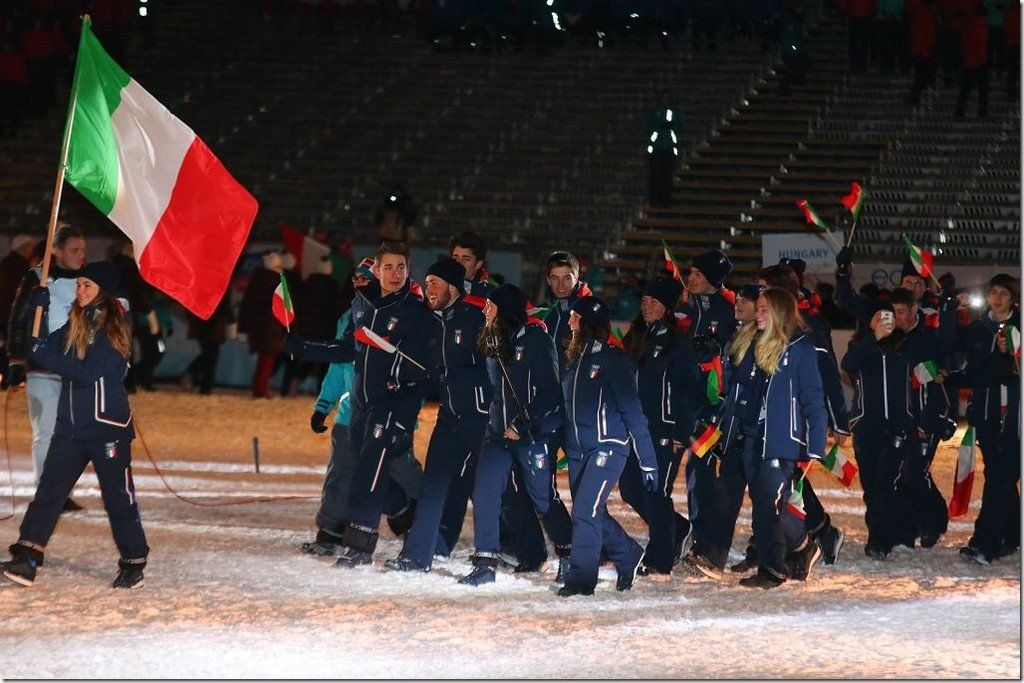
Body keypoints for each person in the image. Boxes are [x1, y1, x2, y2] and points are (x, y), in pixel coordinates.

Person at [1, 262, 148, 588]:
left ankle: (134, 560)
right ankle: (27, 556)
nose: (79, 291)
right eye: (78, 284)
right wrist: (40, 311)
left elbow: (86, 372)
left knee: (117, 498)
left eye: (86, 286)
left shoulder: (117, 325)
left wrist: (42, 352)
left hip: (107, 427)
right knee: (49, 491)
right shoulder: (77, 321)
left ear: (103, 291)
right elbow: (42, 349)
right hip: (70, 426)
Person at [285, 241, 433, 567]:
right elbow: (345, 350)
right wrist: (304, 347)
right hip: (360, 408)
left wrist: (405, 403)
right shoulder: (362, 306)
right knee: (360, 474)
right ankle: (404, 512)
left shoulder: (415, 311)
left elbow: (425, 368)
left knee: (370, 475)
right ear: (377, 270)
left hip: (390, 407)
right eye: (388, 267)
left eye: (401, 267)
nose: (395, 274)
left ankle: (360, 547)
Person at [458, 284, 573, 586]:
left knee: (543, 499)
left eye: (490, 306)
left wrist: (522, 425)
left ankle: (570, 553)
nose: (485, 310)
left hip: (531, 435)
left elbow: (551, 393)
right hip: (497, 434)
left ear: (505, 310)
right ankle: (485, 563)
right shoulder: (492, 341)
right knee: (484, 492)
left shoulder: (537, 340)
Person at [385, 258, 492, 572]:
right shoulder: (432, 323)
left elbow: (494, 366)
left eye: (435, 282)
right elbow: (429, 369)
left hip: (481, 418)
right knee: (433, 486)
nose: (428, 287)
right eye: (427, 281)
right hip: (449, 418)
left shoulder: (475, 319)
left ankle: (521, 550)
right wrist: (406, 378)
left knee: (493, 489)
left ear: (453, 288)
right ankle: (418, 555)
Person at [558, 296, 659, 596]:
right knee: (591, 511)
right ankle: (629, 555)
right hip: (578, 451)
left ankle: (581, 580)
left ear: (587, 323)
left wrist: (648, 462)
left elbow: (634, 413)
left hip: (608, 448)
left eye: (575, 317)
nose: (569, 322)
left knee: (585, 511)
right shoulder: (574, 360)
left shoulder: (614, 361)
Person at [842, 288, 951, 560]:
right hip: (867, 427)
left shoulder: (907, 345)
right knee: (871, 486)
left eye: (889, 315)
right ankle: (885, 533)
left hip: (899, 428)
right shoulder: (861, 346)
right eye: (879, 317)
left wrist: (931, 415)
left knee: (889, 482)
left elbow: (933, 368)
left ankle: (881, 540)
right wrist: (873, 339)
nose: (885, 321)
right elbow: (848, 364)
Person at [730, 288, 827, 589]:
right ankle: (803, 546)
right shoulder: (752, 342)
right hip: (752, 434)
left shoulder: (800, 348)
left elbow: (813, 398)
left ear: (779, 313)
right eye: (757, 308)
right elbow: (739, 386)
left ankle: (773, 569)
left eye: (764, 310)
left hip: (782, 439)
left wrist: (816, 444)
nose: (757, 314)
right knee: (771, 502)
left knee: (766, 504)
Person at [619, 277, 701, 575]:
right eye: (644, 300)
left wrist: (681, 432)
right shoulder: (637, 336)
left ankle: (659, 558)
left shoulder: (677, 342)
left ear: (666, 306)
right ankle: (677, 527)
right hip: (635, 430)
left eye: (654, 301)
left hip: (664, 431)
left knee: (655, 492)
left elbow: (690, 390)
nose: (647, 306)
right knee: (630, 488)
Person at [7, 225, 87, 511]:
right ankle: (47, 493)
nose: (80, 255)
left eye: (83, 250)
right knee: (47, 431)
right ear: (57, 251)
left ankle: (62, 490)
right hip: (42, 368)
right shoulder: (37, 278)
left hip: (76, 368)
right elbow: (18, 320)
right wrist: (16, 360)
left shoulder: (87, 281)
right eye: (74, 250)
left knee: (73, 434)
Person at [677, 249, 738, 572]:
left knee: (701, 470)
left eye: (699, 274)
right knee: (694, 471)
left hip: (714, 405)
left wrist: (716, 352)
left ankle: (705, 541)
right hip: (684, 401)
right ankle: (692, 534)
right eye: (691, 272)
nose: (692, 278)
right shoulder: (685, 306)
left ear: (713, 280)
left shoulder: (728, 311)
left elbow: (737, 354)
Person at [955, 274, 1021, 563]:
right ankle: (1013, 534)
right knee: (999, 477)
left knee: (999, 479)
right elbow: (974, 371)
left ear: (1013, 298)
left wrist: (1010, 356)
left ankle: (985, 543)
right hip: (986, 414)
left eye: (1003, 293)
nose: (997, 298)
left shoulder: (1019, 327)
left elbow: (1008, 372)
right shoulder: (979, 328)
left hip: (1015, 417)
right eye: (993, 292)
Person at [238, 251, 287, 399]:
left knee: (263, 360)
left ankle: (259, 387)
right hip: (271, 326)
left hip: (257, 325)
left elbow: (246, 304)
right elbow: (282, 307)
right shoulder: (277, 282)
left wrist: (243, 327)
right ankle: (260, 389)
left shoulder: (256, 279)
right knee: (267, 360)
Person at [183, 291, 236, 395]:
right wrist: (232, 321)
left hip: (199, 321)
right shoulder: (221, 285)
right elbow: (225, 304)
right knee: (211, 355)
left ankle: (203, 385)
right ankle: (195, 377)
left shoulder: (199, 284)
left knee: (209, 354)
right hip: (214, 324)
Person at [1, 234, 36, 388]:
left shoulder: (5, 265)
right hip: (10, 317)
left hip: (4, 318)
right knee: (9, 353)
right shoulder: (22, 269)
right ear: (23, 248)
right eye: (29, 247)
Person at [645, 94, 683, 207]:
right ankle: (655, 200)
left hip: (669, 148)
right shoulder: (653, 113)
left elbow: (680, 127)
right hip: (656, 148)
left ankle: (666, 200)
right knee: (655, 175)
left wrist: (668, 126)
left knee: (667, 176)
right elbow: (649, 127)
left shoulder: (674, 113)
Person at [954, 4, 990, 118]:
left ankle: (959, 111)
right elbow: (981, 46)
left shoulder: (969, 25)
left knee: (966, 88)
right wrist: (983, 60)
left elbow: (966, 44)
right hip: (979, 62)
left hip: (969, 61)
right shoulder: (981, 26)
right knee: (983, 88)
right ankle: (982, 113)